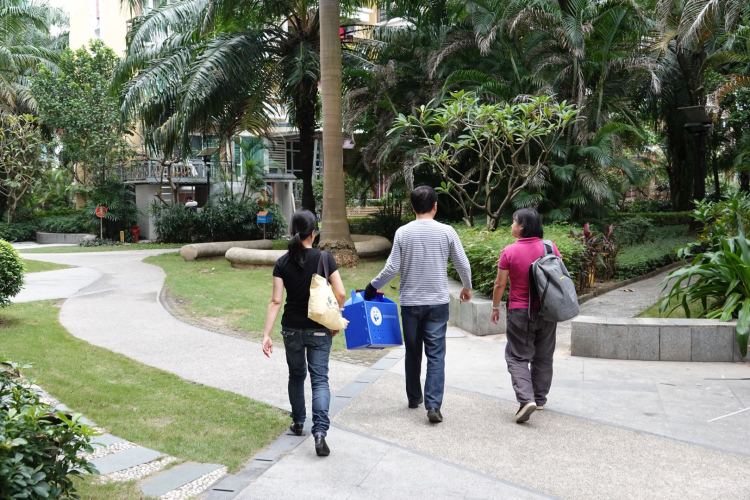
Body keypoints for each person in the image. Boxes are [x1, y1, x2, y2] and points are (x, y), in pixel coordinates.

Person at [364, 186, 472, 424]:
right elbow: (463, 264)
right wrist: (467, 287)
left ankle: (414, 398)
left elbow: (392, 267)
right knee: (436, 354)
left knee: (413, 351)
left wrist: (372, 286)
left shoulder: (403, 232)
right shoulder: (447, 231)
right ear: (435, 206)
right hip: (437, 303)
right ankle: (433, 405)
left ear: (412, 207)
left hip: (411, 304)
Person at [261, 209, 346, 457]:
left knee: (296, 376)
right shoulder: (324, 258)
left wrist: (266, 334)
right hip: (319, 329)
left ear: (293, 232)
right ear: (314, 233)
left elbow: (276, 301)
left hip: (291, 330)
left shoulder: (282, 262)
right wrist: (335, 319)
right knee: (319, 380)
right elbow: (341, 293)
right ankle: (319, 432)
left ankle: (298, 422)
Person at [491, 208, 562, 423]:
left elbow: (500, 284)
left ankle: (526, 399)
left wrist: (495, 307)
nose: (511, 225)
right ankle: (539, 399)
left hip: (520, 312)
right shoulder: (550, 247)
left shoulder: (510, 251)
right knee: (544, 355)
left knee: (516, 356)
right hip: (548, 310)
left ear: (522, 227)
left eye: (514, 222)